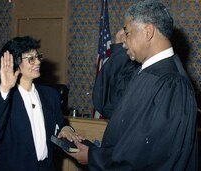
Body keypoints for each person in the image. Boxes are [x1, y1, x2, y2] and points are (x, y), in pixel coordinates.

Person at [67, 0, 198, 170]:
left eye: (127, 33)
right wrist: (92, 150)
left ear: (148, 32)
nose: (123, 41)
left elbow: (149, 155)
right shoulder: (148, 71)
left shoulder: (171, 83)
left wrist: (94, 157)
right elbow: (108, 104)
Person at [0, 36, 82, 171]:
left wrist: (66, 129)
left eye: (38, 56)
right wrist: (4, 89)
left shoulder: (50, 95)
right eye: (31, 58)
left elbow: (60, 123)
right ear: (15, 63)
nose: (38, 61)